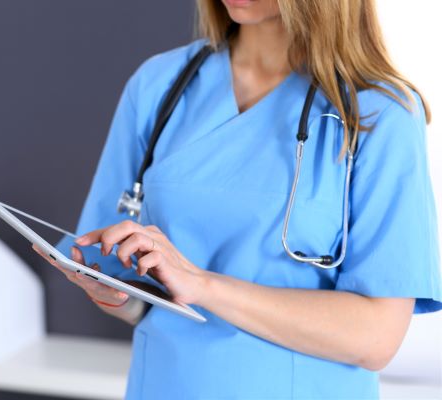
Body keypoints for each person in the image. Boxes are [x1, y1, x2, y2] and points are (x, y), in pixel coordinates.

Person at [33, 0, 442, 398]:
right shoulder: (159, 85)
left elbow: (376, 338)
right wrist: (113, 293)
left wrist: (202, 285)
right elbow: (131, 297)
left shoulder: (379, 115)